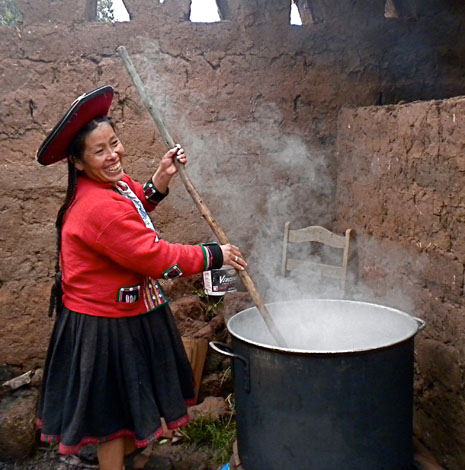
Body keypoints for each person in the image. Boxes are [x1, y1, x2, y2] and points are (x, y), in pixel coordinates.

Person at [35, 85, 246, 470]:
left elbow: (138, 202)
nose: (113, 154)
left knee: (128, 396)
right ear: (78, 163)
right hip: (103, 326)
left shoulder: (107, 186)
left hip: (124, 315)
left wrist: (162, 176)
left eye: (114, 143)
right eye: (100, 151)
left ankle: (133, 457)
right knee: (112, 414)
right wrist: (215, 255)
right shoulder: (97, 208)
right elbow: (154, 257)